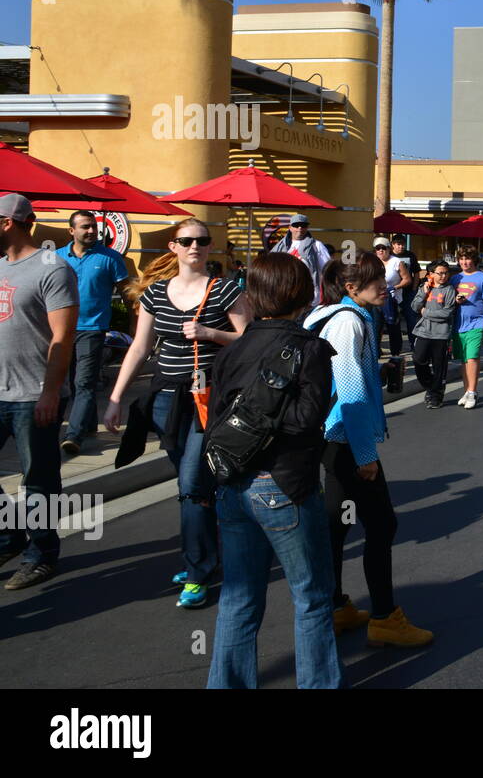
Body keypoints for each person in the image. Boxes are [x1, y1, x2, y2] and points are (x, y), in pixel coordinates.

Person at [205, 253, 342, 689]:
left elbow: (216, 415)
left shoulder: (234, 347)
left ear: (254, 293)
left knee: (239, 599)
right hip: (285, 484)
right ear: (304, 294)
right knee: (312, 597)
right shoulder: (310, 347)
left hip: (232, 481)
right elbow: (306, 420)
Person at [107, 218, 250, 608]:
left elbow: (249, 339)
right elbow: (139, 348)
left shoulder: (225, 291)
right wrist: (117, 396)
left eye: (203, 240)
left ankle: (198, 571)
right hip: (166, 399)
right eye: (187, 241)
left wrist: (212, 334)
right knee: (192, 484)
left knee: (191, 484)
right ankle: (212, 548)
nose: (195, 247)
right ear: (173, 247)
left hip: (210, 398)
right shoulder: (154, 294)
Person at [303, 253, 433, 648]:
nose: (385, 284)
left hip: (328, 437)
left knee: (336, 526)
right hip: (343, 438)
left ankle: (336, 607)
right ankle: (384, 618)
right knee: (381, 525)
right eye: (375, 280)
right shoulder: (347, 322)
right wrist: (366, 457)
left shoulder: (326, 315)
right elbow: (351, 393)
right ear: (351, 288)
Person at [0, 194, 78, 591]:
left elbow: (62, 337)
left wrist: (51, 393)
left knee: (38, 481)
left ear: (7, 223)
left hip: (34, 393)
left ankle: (41, 553)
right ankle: (8, 536)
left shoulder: (52, 268)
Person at [55, 209, 130, 457]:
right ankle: (87, 425)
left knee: (84, 382)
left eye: (93, 227)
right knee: (68, 383)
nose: (90, 231)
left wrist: (134, 325)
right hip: (61, 329)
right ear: (71, 231)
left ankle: (73, 436)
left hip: (93, 329)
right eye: (85, 227)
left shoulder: (110, 258)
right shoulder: (56, 258)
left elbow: (128, 293)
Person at [447, 247, 483, 409]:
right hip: (459, 324)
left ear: (474, 260)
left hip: (478, 323)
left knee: (472, 357)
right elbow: (448, 300)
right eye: (461, 258)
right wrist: (456, 300)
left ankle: (473, 392)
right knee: (464, 360)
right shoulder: (455, 278)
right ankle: (467, 391)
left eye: (467, 258)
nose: (464, 262)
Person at [411, 260, 457, 408]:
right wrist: (423, 293)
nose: (443, 276)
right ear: (430, 274)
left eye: (446, 273)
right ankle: (431, 386)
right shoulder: (424, 288)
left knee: (439, 366)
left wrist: (426, 312)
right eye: (440, 273)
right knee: (418, 359)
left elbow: (447, 312)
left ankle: (436, 395)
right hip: (423, 331)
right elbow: (414, 307)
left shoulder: (449, 290)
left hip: (441, 334)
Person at [270, 213, 331, 310]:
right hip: (284, 295)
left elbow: (327, 270)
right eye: (296, 225)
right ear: (290, 227)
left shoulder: (317, 246)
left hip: (309, 298)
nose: (300, 228)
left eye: (303, 225)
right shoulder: (280, 247)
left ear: (307, 228)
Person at [372, 238, 412, 358]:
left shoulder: (396, 261)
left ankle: (395, 353)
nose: (381, 251)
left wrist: (395, 287)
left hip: (391, 299)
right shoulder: (373, 262)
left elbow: (407, 279)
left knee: (393, 327)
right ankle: (376, 352)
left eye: (383, 248)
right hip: (374, 299)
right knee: (375, 326)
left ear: (389, 249)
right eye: (377, 248)